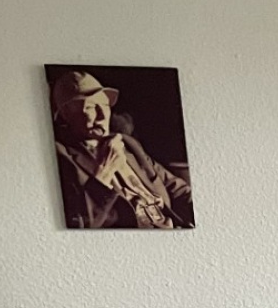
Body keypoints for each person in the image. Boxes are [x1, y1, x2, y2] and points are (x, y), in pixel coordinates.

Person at [50, 70, 193, 231]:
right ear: (66, 114)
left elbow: (176, 187)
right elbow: (80, 223)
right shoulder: (61, 156)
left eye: (105, 105)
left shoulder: (128, 143)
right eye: (90, 107)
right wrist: (105, 172)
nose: (102, 116)